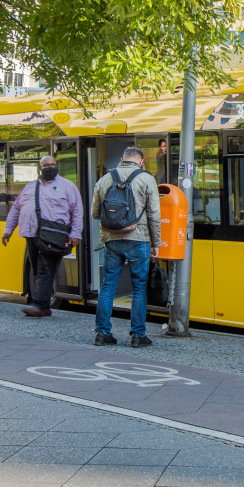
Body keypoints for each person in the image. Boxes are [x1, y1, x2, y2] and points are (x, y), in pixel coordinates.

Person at [92, 146, 161, 347]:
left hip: (111, 240)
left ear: (122, 159)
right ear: (140, 161)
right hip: (138, 239)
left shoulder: (105, 179)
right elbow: (154, 216)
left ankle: (102, 333)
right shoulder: (146, 179)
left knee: (108, 287)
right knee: (139, 288)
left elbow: (95, 213)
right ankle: (138, 336)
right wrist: (156, 243)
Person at [1, 156, 83, 318]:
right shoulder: (30, 187)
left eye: (53, 165)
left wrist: (75, 233)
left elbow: (77, 211)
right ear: (40, 168)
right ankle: (41, 304)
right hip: (30, 235)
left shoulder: (67, 186)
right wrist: (8, 230)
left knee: (45, 269)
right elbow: (16, 209)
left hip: (53, 235)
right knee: (37, 270)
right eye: (46, 165)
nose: (50, 167)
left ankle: (40, 305)